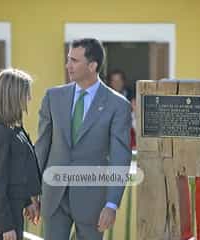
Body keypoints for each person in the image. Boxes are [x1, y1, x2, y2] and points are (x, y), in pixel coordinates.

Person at [36, 38, 132, 240]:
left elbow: (120, 157)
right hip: (54, 197)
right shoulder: (53, 97)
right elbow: (42, 147)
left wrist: (112, 204)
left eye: (74, 60)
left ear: (92, 65)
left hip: (93, 201)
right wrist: (33, 192)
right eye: (68, 59)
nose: (67, 65)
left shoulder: (118, 105)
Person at [0, 68, 41, 240]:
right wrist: (6, 225)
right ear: (13, 95)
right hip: (5, 212)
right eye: (26, 93)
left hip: (15, 206)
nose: (29, 98)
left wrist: (27, 201)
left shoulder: (15, 127)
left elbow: (18, 170)